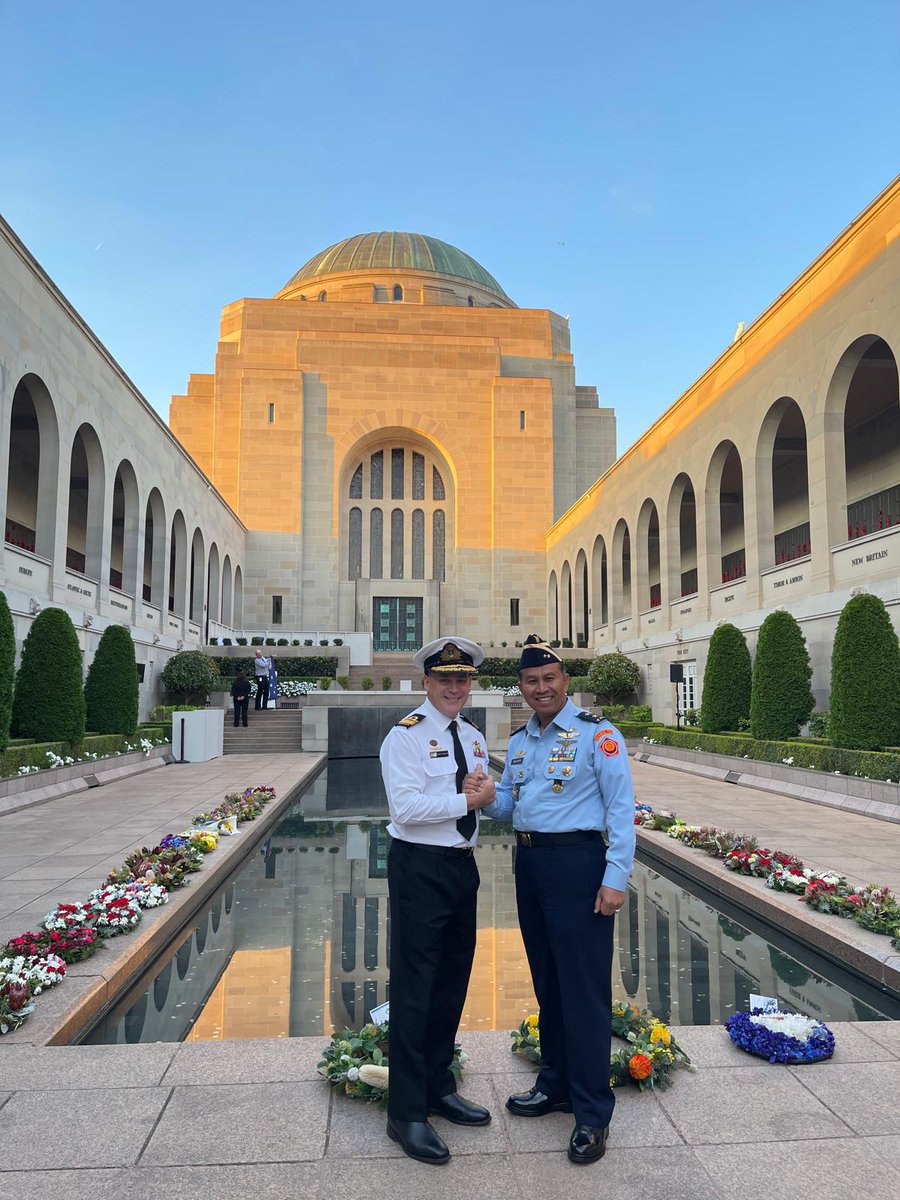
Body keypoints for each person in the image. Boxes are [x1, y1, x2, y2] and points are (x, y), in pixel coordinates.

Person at [483, 635, 636, 1166]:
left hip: (579, 866)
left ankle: (592, 1113)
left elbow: (621, 812)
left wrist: (615, 877)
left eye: (549, 679)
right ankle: (556, 1085)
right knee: (548, 981)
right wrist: (483, 796)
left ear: (565, 681)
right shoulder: (522, 741)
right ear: (521, 687)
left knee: (584, 990)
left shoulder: (599, 735)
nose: (541, 688)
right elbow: (508, 806)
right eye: (531, 681)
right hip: (531, 865)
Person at [379, 636, 497, 1166]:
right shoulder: (403, 737)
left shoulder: (471, 737)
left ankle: (437, 1087)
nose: (454, 687)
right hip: (419, 869)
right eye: (444, 678)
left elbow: (478, 791)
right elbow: (405, 809)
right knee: (414, 988)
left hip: (460, 868)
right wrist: (468, 799)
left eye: (462, 679)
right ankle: (405, 1113)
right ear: (426, 682)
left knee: (452, 981)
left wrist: (481, 793)